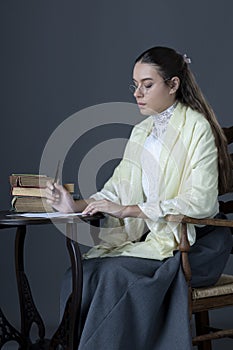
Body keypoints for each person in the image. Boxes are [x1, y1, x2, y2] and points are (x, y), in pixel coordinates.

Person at [46, 46, 232, 349]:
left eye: (148, 85)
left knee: (114, 274)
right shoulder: (142, 132)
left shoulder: (197, 128)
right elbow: (119, 187)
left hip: (196, 243)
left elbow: (201, 202)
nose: (138, 93)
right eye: (135, 85)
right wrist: (74, 204)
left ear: (173, 85)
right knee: (82, 273)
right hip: (156, 239)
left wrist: (129, 210)